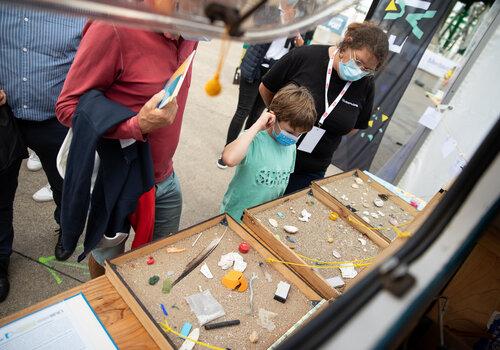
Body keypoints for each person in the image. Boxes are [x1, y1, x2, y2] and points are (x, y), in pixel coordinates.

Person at [56, 20, 197, 277]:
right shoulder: (113, 27)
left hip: (164, 175)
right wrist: (135, 124)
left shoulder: (192, 30)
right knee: (106, 260)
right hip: (115, 180)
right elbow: (67, 107)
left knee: (159, 257)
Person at [0, 4, 85, 302]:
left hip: (57, 120)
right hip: (4, 117)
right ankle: (0, 259)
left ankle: (66, 228)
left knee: (64, 186)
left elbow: (94, 63)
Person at [259, 22, 389, 194]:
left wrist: (334, 124)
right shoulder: (305, 56)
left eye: (367, 69)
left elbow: (354, 127)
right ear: (347, 43)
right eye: (358, 62)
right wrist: (283, 117)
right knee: (252, 207)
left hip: (312, 169)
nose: (359, 71)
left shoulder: (366, 84)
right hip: (272, 153)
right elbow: (266, 89)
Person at [217, 1, 310, 169]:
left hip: (275, 73)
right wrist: (280, 22)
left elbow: (303, 47)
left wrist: (296, 34)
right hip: (255, 66)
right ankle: (227, 152)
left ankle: (247, 151)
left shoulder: (301, 18)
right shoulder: (269, 9)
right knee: (243, 111)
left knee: (256, 115)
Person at [221, 84, 316, 222]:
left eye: (299, 134)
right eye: (289, 132)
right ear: (274, 116)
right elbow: (229, 159)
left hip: (261, 219)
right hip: (235, 217)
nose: (293, 138)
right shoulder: (254, 139)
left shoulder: (291, 148)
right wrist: (258, 125)